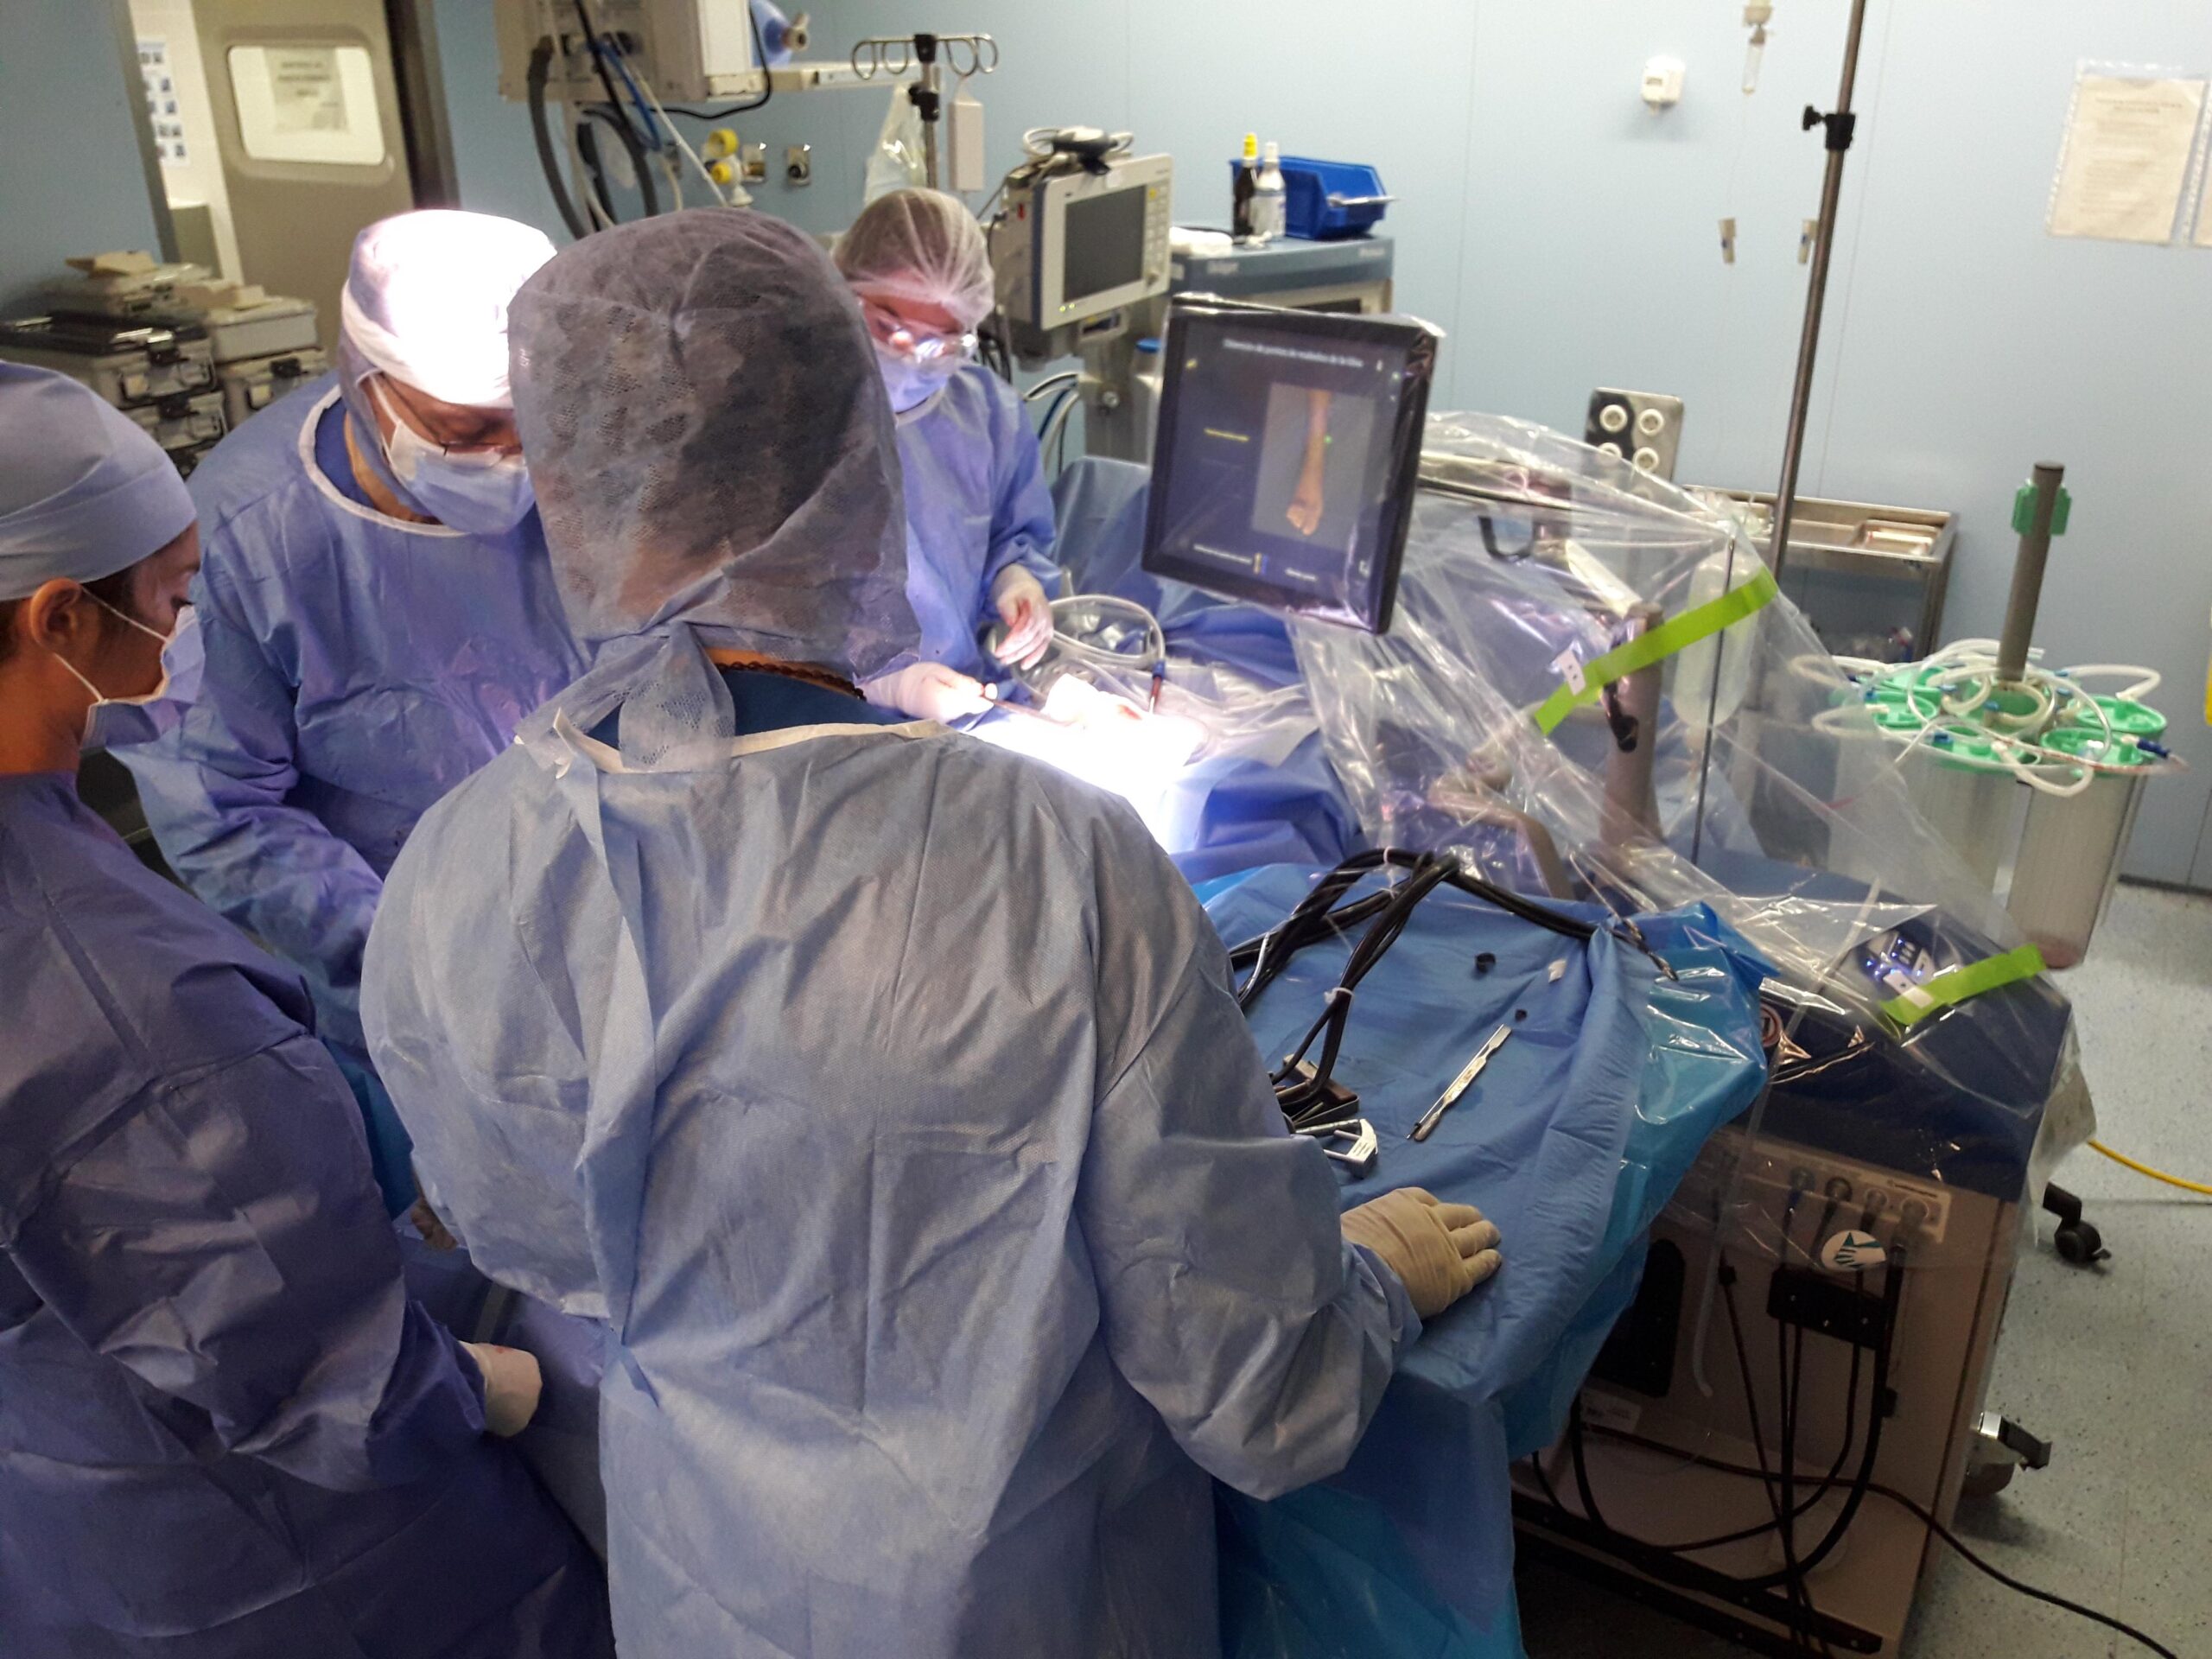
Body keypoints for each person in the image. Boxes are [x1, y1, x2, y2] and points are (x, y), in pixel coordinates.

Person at [361, 209, 1502, 1659]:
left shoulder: (468, 862)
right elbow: (1252, 1386)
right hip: (1028, 1598)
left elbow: (537, 1242)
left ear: (570, 479)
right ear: (866, 466)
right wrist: (1372, 1286)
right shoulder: (1059, 864)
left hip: (703, 1587)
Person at [0, 363, 615, 1658]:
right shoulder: (122, 1004)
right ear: (59, 618)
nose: (186, 636)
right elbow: (325, 1381)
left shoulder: (50, 850)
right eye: (174, 600)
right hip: (256, 1545)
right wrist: (479, 1386)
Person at [120, 208, 587, 1215]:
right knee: (464, 1219)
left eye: (535, 423)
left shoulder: (586, 478)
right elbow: (220, 806)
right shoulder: (247, 537)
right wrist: (420, 961)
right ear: (368, 382)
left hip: (596, 925)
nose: (515, 459)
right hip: (396, 962)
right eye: (471, 432)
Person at [835, 187, 1061, 723]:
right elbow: (745, 614)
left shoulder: (988, 414)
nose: (910, 357)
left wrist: (1014, 581)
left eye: (940, 343)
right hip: (821, 720)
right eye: (888, 327)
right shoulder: (782, 416)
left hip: (961, 702)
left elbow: (1010, 535)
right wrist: (888, 684)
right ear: (840, 289)